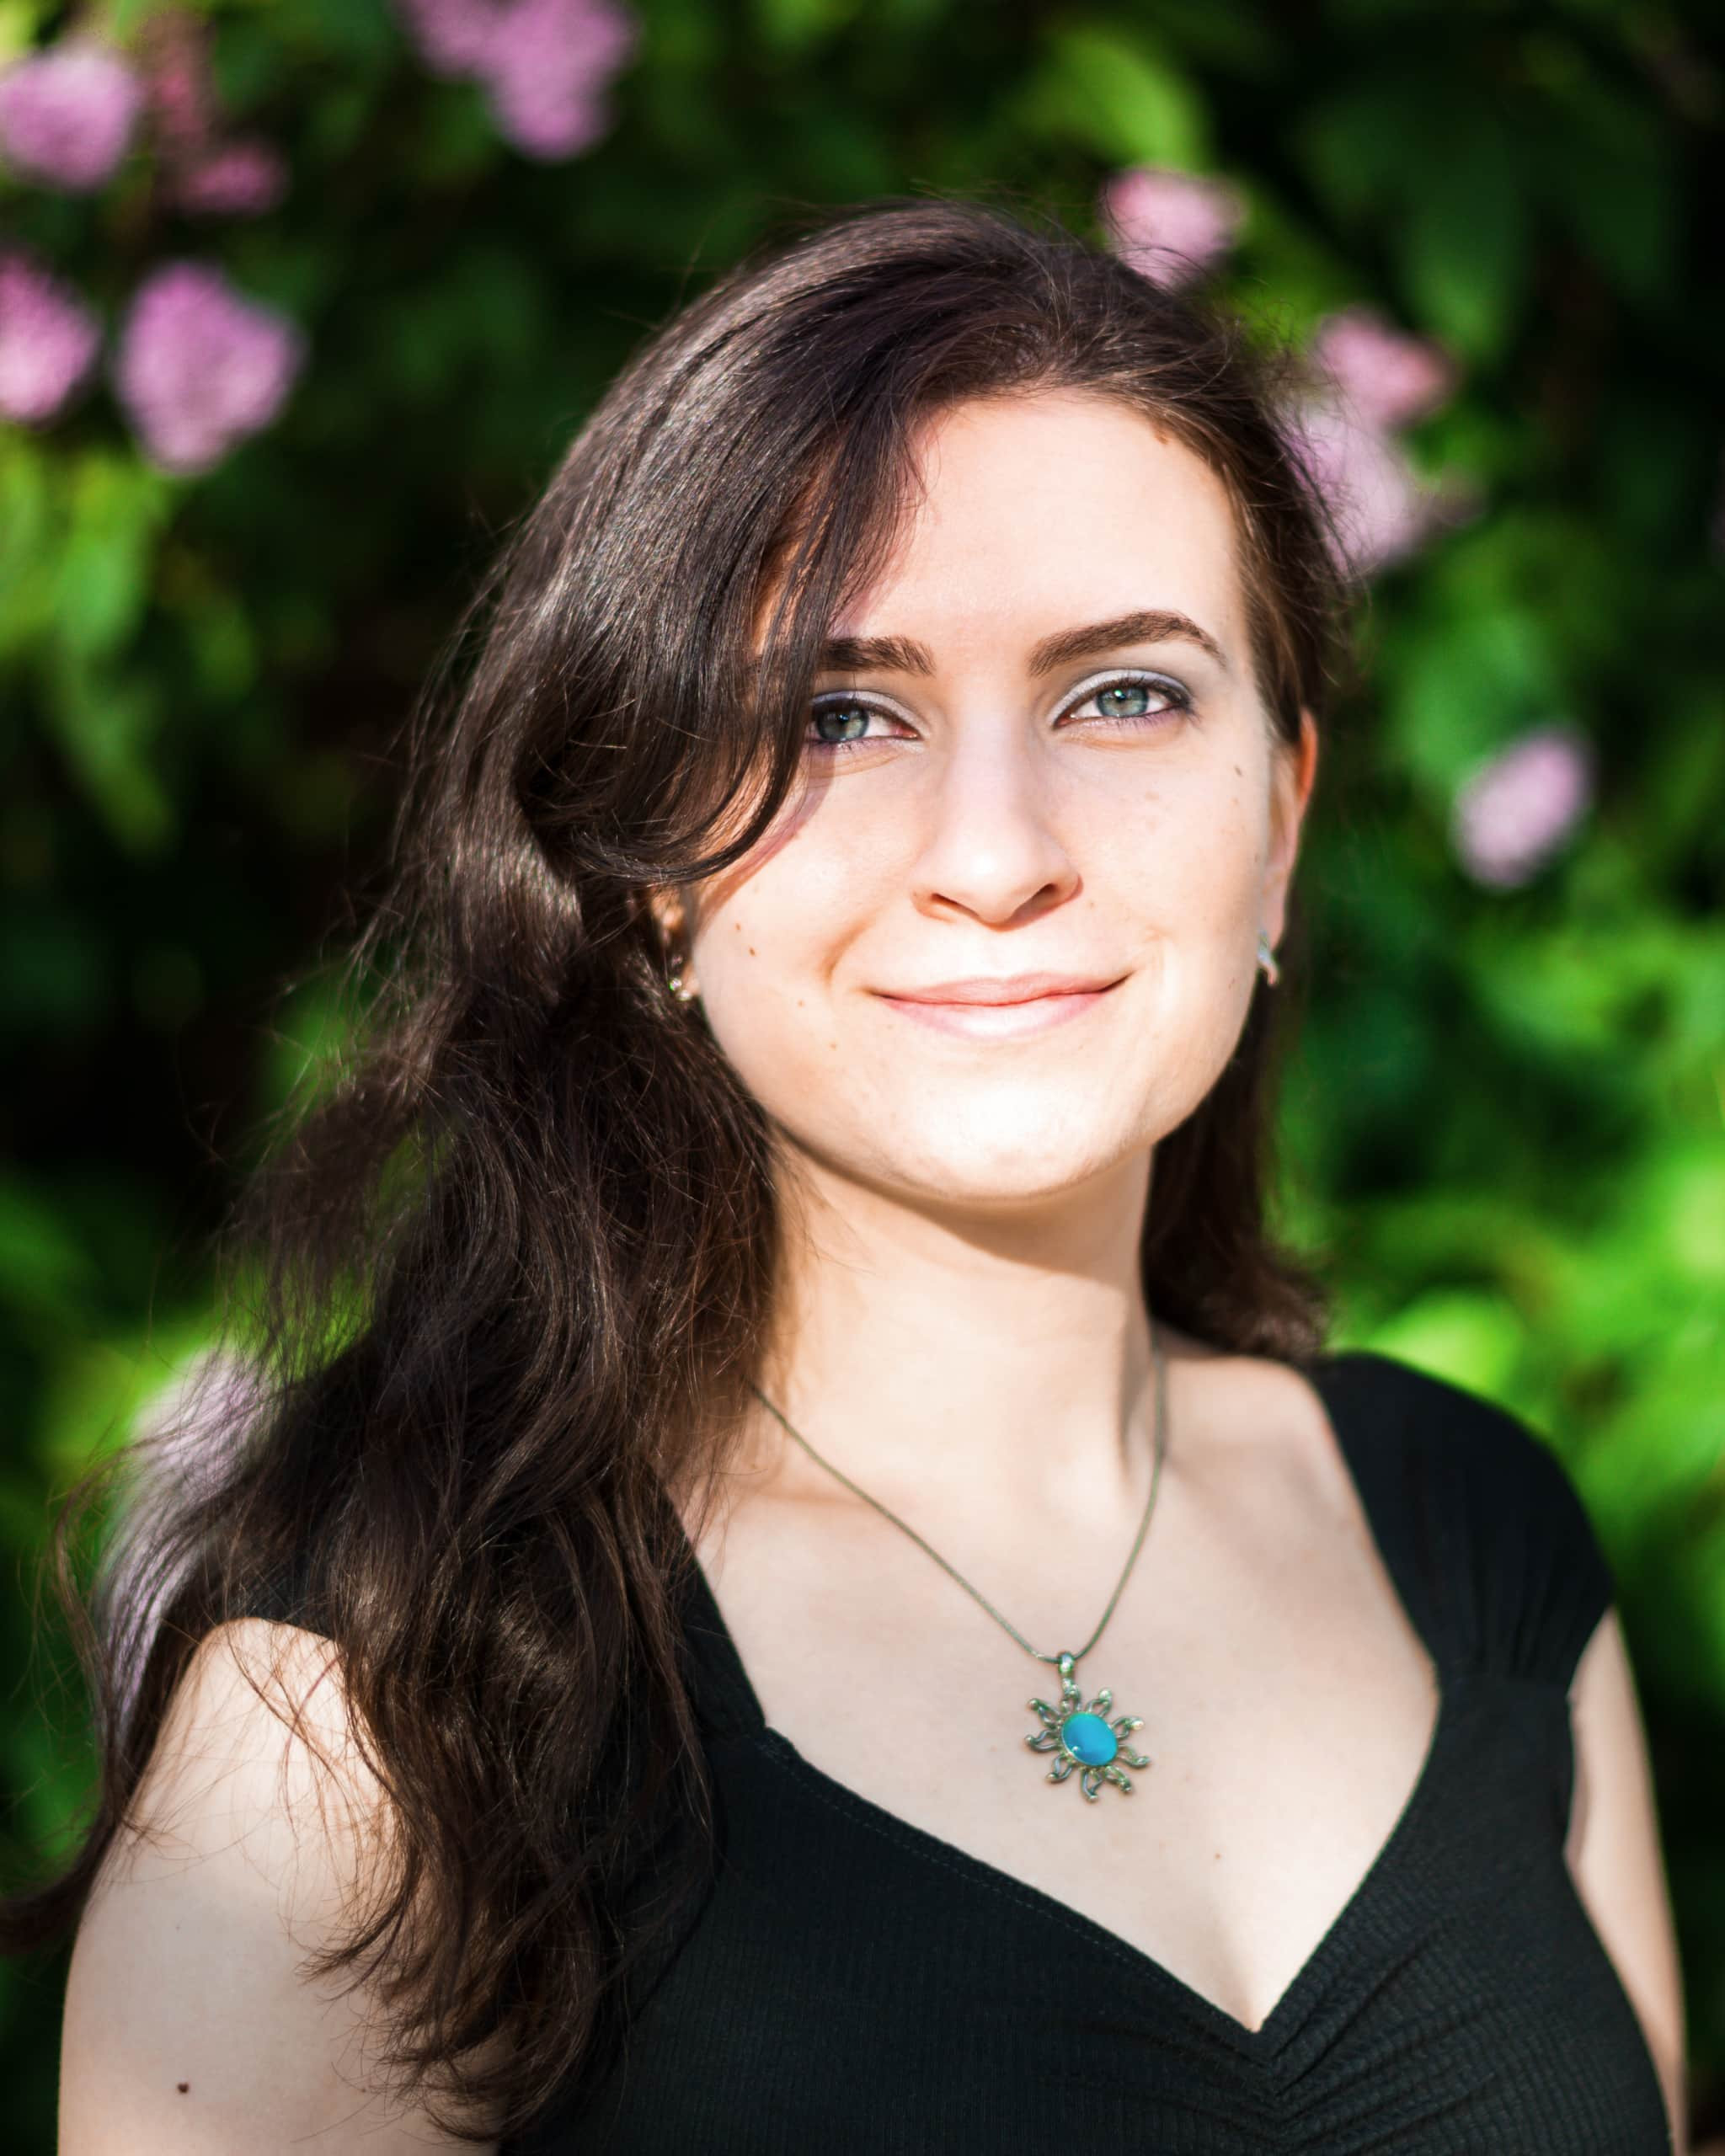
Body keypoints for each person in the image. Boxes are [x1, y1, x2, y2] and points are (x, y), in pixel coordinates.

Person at [19, 195, 1685, 2153]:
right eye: (838, 713)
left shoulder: (1478, 1534)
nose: (995, 853)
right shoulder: (382, 1708)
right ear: (651, 878)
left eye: (1125, 693)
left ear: (1280, 822)